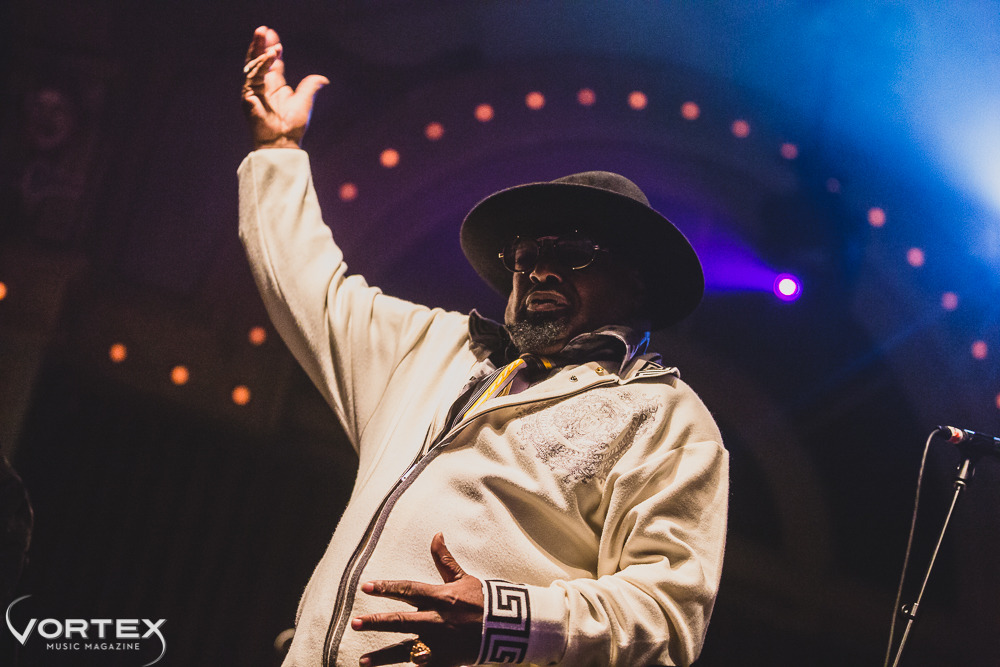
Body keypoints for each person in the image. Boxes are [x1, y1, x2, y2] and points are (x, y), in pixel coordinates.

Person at [239, 25, 728, 667]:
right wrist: (279, 152)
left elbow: (663, 619)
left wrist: (508, 622)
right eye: (527, 256)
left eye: (573, 253)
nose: (541, 272)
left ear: (634, 285)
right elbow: (312, 291)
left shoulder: (667, 417)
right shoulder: (434, 349)